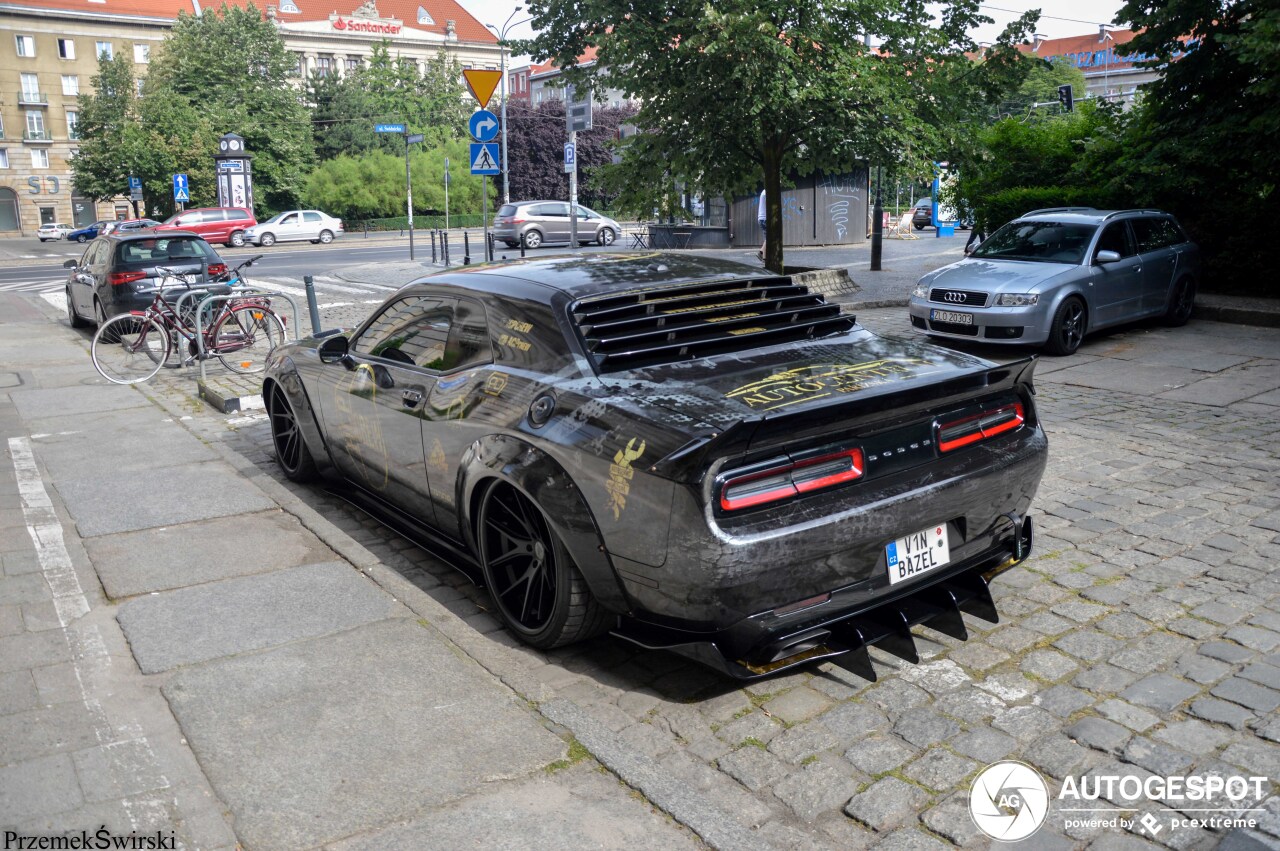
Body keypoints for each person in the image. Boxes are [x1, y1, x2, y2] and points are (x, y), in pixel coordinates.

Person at [757, 189, 767, 261]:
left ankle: (762, 253)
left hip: (761, 218)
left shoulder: (763, 192)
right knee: (769, 238)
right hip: (765, 218)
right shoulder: (768, 193)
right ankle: (764, 257)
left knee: (767, 238)